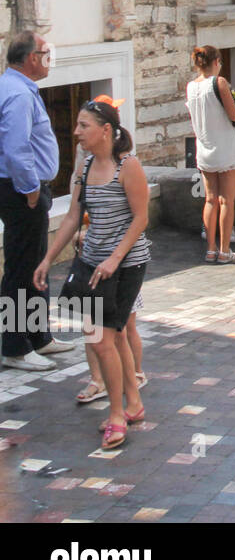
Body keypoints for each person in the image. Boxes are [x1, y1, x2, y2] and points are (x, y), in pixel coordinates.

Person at [34, 98, 150, 450]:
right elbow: (72, 217)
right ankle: (133, 403)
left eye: (83, 126)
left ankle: (117, 415)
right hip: (92, 262)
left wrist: (115, 258)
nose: (76, 132)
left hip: (126, 264)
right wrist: (46, 259)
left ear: (105, 131)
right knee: (109, 338)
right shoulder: (84, 167)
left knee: (103, 338)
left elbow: (141, 218)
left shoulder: (127, 166)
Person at [0, 31, 70, 371]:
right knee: (21, 268)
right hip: (20, 191)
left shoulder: (17, 88)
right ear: (31, 58)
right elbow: (15, 149)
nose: (48, 58)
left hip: (23, 189)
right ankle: (14, 346)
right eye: (44, 52)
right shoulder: (17, 94)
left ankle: (38, 337)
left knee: (35, 263)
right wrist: (29, 190)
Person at [185, 45, 235, 263]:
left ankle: (210, 248)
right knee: (227, 200)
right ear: (216, 61)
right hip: (225, 147)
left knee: (210, 199)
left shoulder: (191, 86)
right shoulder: (219, 82)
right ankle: (224, 250)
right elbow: (233, 115)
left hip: (204, 148)